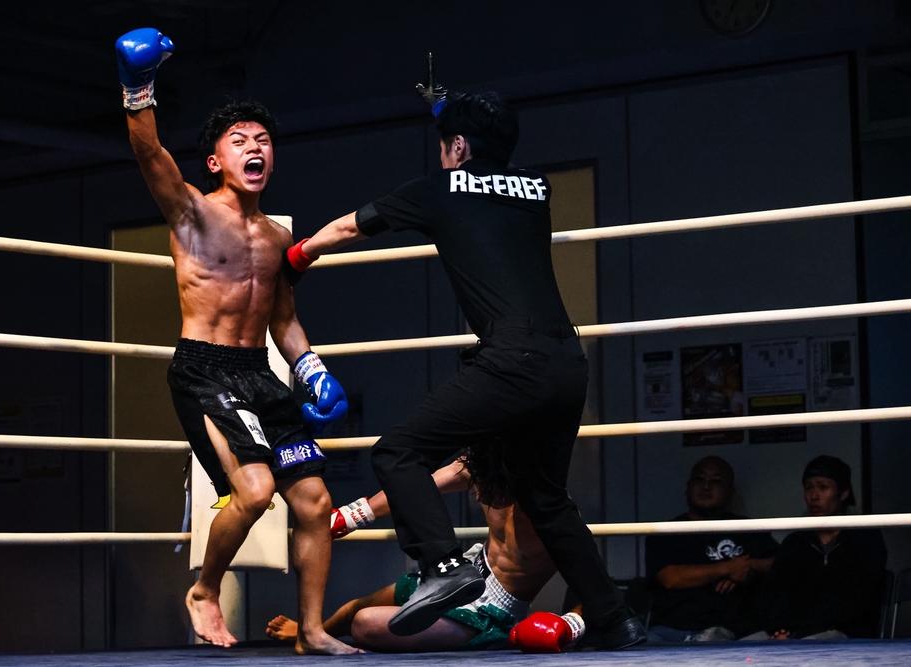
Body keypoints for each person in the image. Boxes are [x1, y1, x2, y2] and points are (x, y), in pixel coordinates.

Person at [284, 85, 644, 647]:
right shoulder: (536, 188)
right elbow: (492, 170)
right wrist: (454, 115)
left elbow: (351, 226)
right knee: (546, 498)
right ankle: (616, 620)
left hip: (512, 359)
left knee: (396, 451)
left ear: (455, 147)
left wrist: (296, 257)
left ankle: (443, 565)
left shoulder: (438, 188)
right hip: (568, 363)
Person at [116, 28, 356, 655]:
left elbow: (284, 321)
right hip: (204, 371)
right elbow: (149, 154)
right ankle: (204, 590)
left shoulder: (278, 237)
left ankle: (311, 631)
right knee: (253, 491)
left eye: (264, 140)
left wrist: (311, 369)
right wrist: (138, 89)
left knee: (314, 501)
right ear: (216, 162)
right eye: (240, 140)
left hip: (259, 372)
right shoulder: (192, 212)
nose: (255, 148)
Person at [267, 450, 585, 651]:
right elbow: (415, 488)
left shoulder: (549, 514)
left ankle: (489, 638)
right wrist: (351, 516)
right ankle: (310, 632)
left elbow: (589, 577)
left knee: (364, 623)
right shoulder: (484, 465)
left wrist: (571, 623)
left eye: (484, 490)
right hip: (464, 572)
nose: (477, 496)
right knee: (353, 608)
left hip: (488, 613)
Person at [745, 455, 887, 640]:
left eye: (823, 487)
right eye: (809, 487)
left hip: (844, 634)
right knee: (744, 646)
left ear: (843, 493)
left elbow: (859, 601)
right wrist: (779, 629)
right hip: (791, 633)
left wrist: (800, 632)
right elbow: (775, 594)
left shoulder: (865, 538)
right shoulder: (795, 542)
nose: (814, 496)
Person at [645, 456, 777, 641]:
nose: (706, 487)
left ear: (730, 491)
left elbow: (780, 563)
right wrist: (728, 568)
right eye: (699, 479)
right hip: (675, 631)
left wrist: (749, 566)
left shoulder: (746, 528)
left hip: (736, 632)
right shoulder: (667, 531)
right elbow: (670, 578)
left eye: (716, 481)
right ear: (688, 487)